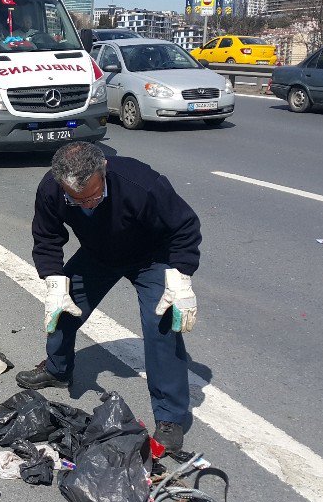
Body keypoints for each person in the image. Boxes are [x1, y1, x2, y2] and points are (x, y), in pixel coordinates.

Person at [18, 142, 202, 453]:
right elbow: (47, 236)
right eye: (75, 201)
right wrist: (53, 281)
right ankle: (57, 369)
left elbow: (184, 226)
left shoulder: (141, 183)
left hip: (151, 258)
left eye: (92, 197)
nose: (86, 206)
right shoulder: (51, 188)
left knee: (162, 324)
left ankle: (170, 416)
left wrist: (182, 275)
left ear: (104, 171)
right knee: (62, 309)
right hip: (97, 255)